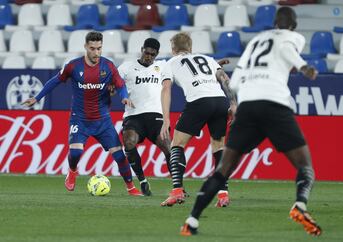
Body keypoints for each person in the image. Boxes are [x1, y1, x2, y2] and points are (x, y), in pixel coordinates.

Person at [180, 7, 322, 237]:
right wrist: (303, 66)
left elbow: (235, 80)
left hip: (247, 107)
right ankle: (300, 206)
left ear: (275, 23)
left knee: (223, 170)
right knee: (305, 167)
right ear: (293, 25)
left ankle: (191, 220)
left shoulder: (256, 40)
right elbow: (286, 48)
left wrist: (236, 104)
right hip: (274, 104)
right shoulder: (294, 37)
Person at [22, 31, 143, 196]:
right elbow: (55, 81)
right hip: (80, 119)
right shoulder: (73, 66)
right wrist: (36, 98)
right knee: (76, 153)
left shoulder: (108, 66)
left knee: (120, 156)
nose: (96, 52)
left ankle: (131, 188)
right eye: (92, 48)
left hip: (103, 121)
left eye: (99, 48)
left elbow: (120, 85)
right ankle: (72, 171)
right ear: (86, 47)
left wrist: (124, 97)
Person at [160, 32, 237, 207]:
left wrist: (166, 118)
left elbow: (166, 89)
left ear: (173, 49)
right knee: (219, 147)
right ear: (191, 48)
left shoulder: (170, 63)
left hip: (198, 101)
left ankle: (177, 191)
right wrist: (233, 103)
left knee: (177, 144)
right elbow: (225, 79)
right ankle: (223, 193)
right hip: (220, 101)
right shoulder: (207, 59)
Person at [117, 38, 171, 196]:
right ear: (142, 49)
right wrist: (116, 91)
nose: (148, 57)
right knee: (128, 142)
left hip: (156, 115)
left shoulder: (163, 66)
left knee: (168, 147)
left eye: (152, 54)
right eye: (146, 53)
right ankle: (142, 181)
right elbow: (115, 84)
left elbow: (185, 64)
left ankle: (178, 186)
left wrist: (214, 65)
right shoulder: (126, 67)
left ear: (157, 54)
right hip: (134, 115)